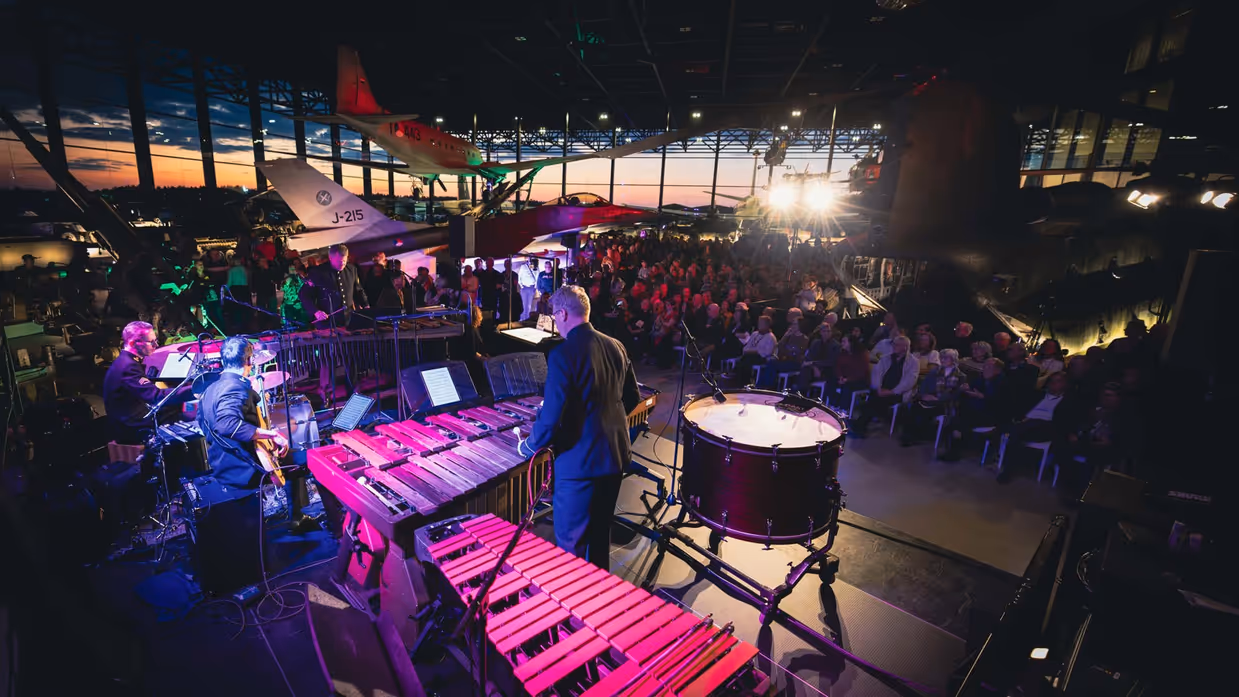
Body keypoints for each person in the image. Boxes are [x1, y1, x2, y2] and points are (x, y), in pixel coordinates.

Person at [515, 285, 640, 570]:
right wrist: (603, 423)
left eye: (555, 316)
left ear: (562, 313)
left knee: (571, 546)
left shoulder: (562, 354)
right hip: (615, 456)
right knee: (598, 539)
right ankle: (599, 605)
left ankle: (574, 610)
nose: (556, 323)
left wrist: (528, 446)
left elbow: (551, 417)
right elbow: (632, 398)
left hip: (579, 464)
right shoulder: (616, 345)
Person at [198, 337, 289, 488]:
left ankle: (296, 510)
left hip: (222, 468)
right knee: (311, 459)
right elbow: (227, 424)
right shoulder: (236, 387)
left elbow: (203, 422)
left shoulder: (209, 390)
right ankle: (298, 511)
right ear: (249, 360)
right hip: (245, 469)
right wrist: (272, 435)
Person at [299, 244, 369, 406]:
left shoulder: (352, 269)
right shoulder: (317, 272)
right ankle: (326, 393)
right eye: (339, 262)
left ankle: (353, 392)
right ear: (331, 258)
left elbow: (358, 290)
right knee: (328, 359)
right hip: (327, 325)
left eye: (344, 261)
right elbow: (304, 295)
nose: (342, 265)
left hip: (348, 322)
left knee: (351, 358)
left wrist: (365, 305)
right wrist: (315, 311)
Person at [102, 321, 188, 445]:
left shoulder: (125, 360)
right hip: (130, 424)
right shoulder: (128, 366)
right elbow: (156, 397)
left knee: (174, 406)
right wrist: (194, 390)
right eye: (150, 342)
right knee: (184, 412)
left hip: (129, 415)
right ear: (133, 343)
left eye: (155, 340)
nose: (156, 345)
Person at [853, 335, 919, 438]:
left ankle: (860, 424)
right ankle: (861, 425)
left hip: (898, 392)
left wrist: (892, 391)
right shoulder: (886, 358)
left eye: (897, 345)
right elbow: (876, 373)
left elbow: (910, 381)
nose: (893, 346)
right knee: (875, 397)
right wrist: (879, 388)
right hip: (881, 389)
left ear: (905, 347)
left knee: (876, 401)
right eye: (894, 344)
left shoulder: (913, 362)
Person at [902, 348, 965, 447]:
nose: (943, 360)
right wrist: (924, 395)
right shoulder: (934, 371)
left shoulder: (960, 376)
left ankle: (922, 435)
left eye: (946, 358)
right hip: (929, 397)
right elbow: (924, 385)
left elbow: (955, 393)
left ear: (953, 359)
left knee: (929, 411)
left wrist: (938, 399)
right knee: (914, 407)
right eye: (941, 357)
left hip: (945, 402)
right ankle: (909, 436)